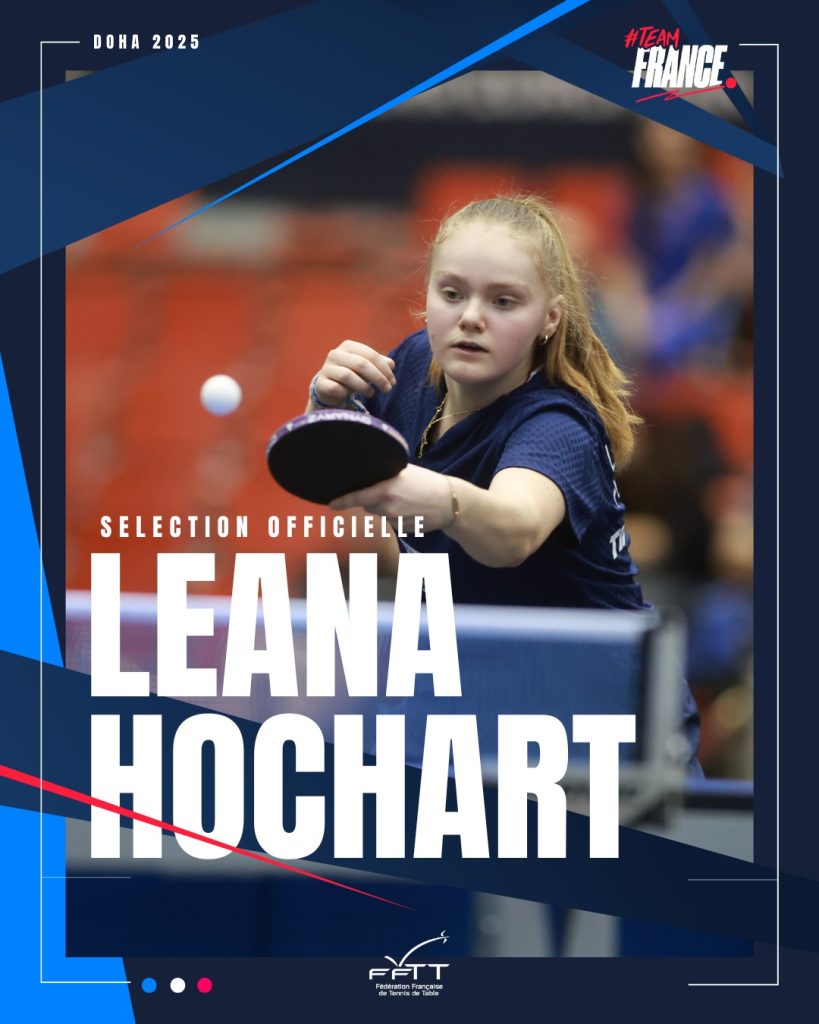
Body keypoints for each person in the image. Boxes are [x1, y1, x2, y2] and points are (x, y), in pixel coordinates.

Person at [306, 193, 700, 767]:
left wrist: (439, 498)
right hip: (481, 696)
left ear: (550, 318)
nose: (471, 316)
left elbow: (514, 529)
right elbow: (331, 472)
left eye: (504, 301)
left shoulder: (557, 424)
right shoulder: (415, 368)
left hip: (604, 724)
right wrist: (325, 402)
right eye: (452, 293)